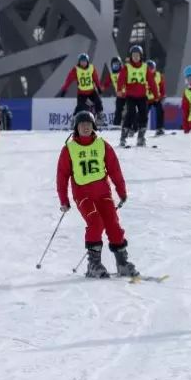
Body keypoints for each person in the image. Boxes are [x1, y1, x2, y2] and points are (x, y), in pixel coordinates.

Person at [56, 110, 140, 278]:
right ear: (76, 127)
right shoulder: (69, 149)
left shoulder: (102, 145)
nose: (85, 127)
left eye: (88, 124)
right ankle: (93, 264)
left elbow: (115, 170)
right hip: (83, 195)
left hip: (103, 194)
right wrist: (64, 200)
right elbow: (62, 176)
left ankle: (122, 263)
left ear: (93, 126)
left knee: (113, 225)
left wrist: (121, 191)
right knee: (95, 223)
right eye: (82, 125)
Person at [116, 45, 158, 148]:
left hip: (142, 96)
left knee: (143, 114)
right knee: (130, 113)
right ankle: (123, 137)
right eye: (133, 55)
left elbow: (151, 81)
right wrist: (119, 89)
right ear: (131, 56)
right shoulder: (127, 67)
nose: (135, 57)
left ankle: (141, 137)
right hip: (130, 95)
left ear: (141, 56)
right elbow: (121, 78)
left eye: (137, 55)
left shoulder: (144, 67)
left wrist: (156, 94)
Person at [59, 53, 104, 120]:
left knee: (98, 102)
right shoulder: (76, 70)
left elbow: (96, 78)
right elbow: (68, 80)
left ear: (87, 61)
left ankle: (100, 117)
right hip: (82, 93)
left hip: (92, 91)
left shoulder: (91, 68)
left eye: (85, 61)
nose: (83, 63)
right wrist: (64, 90)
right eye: (81, 61)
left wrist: (98, 87)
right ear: (79, 62)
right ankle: (74, 119)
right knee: (81, 107)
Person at [102, 56, 125, 128]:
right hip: (120, 95)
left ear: (120, 65)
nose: (115, 67)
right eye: (114, 65)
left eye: (117, 65)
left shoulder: (124, 72)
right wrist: (101, 89)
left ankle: (133, 126)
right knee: (118, 110)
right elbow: (106, 84)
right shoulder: (111, 75)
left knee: (130, 111)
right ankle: (116, 125)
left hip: (128, 95)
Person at [146, 59, 167, 136]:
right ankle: (137, 128)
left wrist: (162, 96)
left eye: (152, 68)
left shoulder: (158, 75)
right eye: (148, 68)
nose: (150, 70)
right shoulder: (142, 76)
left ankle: (160, 128)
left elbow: (162, 87)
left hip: (156, 98)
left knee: (160, 111)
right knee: (142, 113)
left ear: (155, 68)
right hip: (146, 99)